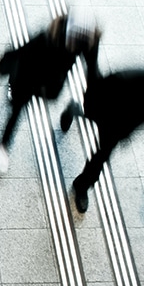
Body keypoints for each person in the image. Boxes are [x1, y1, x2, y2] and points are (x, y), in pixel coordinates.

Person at [0, 11, 100, 174]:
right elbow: (23, 53)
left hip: (52, 84)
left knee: (47, 97)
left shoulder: (87, 42)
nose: (74, 44)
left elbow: (92, 70)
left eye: (79, 41)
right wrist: (6, 65)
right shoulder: (46, 38)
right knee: (16, 110)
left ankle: (70, 111)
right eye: (73, 39)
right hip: (28, 76)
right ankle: (3, 146)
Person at [61, 69, 144, 213]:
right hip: (106, 109)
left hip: (117, 127)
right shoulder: (132, 78)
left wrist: (126, 132)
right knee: (89, 115)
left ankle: (82, 185)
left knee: (100, 157)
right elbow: (107, 84)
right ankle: (73, 110)